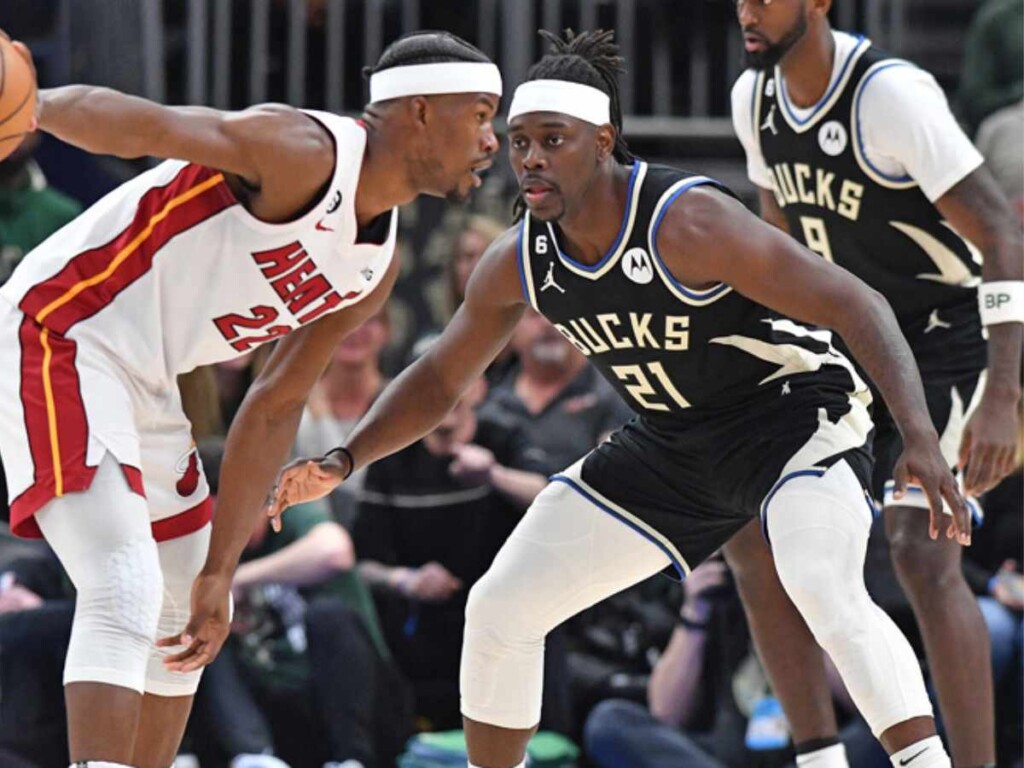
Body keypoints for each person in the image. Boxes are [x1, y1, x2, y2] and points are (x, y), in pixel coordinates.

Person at [271, 29, 973, 768]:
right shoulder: (522, 258)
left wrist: (920, 441)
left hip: (795, 416)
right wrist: (346, 457)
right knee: (502, 606)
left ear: (602, 141)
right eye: (518, 143)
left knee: (818, 583)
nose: (530, 159)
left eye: (552, 140)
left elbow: (860, 304)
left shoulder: (687, 220)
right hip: (676, 442)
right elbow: (442, 377)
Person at [0, 30, 500, 768]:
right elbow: (145, 124)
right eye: (481, 114)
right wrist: (30, 108)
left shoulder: (374, 266)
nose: (493, 140)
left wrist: (222, 569)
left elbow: (273, 402)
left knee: (192, 608)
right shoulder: (303, 150)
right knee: (124, 581)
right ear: (420, 111)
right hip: (60, 327)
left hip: (147, 375)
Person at [727, 2, 1023, 766]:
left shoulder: (888, 94)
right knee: (751, 531)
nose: (747, 12)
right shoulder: (752, 97)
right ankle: (818, 755)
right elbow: (778, 246)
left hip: (948, 340)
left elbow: (1000, 231)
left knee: (921, 551)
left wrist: (1004, 393)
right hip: (850, 343)